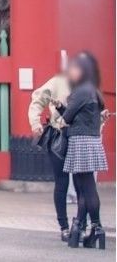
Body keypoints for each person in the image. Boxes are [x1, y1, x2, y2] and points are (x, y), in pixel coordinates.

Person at [56, 52, 108, 249]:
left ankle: (96, 227)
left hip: (81, 141)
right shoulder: (93, 90)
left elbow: (68, 118)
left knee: (86, 187)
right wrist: (62, 107)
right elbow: (79, 114)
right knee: (83, 187)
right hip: (90, 140)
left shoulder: (81, 91)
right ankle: (85, 226)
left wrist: (62, 115)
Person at [28, 58, 74, 241]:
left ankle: (80, 224)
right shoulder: (58, 82)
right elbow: (38, 99)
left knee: (83, 184)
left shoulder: (87, 86)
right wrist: (35, 123)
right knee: (62, 182)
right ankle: (64, 226)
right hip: (59, 136)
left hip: (80, 137)